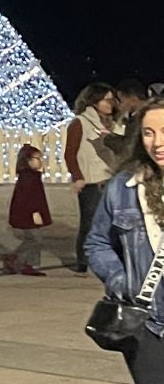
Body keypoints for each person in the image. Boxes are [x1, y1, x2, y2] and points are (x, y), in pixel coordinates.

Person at [83, 98, 164, 384]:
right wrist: (119, 280)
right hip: (147, 322)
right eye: (150, 133)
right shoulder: (123, 188)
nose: (158, 142)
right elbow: (97, 242)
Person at [67, 82, 124, 275]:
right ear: (94, 100)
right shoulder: (80, 123)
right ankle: (82, 260)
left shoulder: (118, 124)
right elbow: (70, 153)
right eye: (106, 100)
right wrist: (77, 176)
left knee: (116, 221)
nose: (111, 104)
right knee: (89, 221)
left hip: (114, 178)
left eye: (112, 100)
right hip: (92, 180)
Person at [5, 143, 53, 276]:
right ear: (27, 161)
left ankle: (27, 263)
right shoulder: (28, 177)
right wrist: (35, 213)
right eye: (37, 158)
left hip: (30, 213)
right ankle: (21, 260)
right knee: (34, 239)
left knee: (33, 239)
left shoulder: (33, 176)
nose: (40, 162)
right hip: (28, 213)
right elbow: (28, 198)